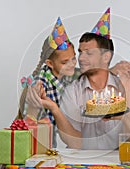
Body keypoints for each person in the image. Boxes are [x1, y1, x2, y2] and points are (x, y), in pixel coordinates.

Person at [31, 8, 130, 150]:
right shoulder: (72, 91)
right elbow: (75, 143)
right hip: (82, 160)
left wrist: (128, 91)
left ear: (106, 57)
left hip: (119, 161)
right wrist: (55, 109)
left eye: (89, 53)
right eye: (80, 52)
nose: (81, 58)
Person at [18, 17, 77, 148]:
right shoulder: (40, 86)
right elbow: (29, 127)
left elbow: (83, 73)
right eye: (65, 62)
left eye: (74, 59)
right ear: (50, 63)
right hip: (40, 148)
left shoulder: (66, 75)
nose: (72, 64)